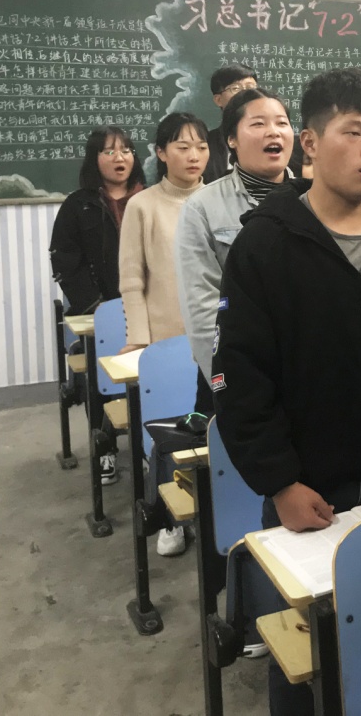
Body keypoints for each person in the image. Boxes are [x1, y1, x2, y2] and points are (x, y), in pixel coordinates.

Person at [213, 67, 361, 716]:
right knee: (306, 664)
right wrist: (279, 481)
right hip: (308, 494)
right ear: (310, 144)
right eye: (354, 133)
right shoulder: (264, 245)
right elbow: (239, 378)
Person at [120, 111, 210, 555]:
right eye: (182, 147)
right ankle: (169, 516)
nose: (194, 156)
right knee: (167, 433)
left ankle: (210, 507)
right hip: (164, 339)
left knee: (207, 427)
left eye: (202, 147)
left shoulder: (217, 199)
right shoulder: (142, 205)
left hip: (212, 339)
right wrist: (140, 338)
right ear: (160, 153)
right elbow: (131, 279)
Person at [176, 88, 294, 387]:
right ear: (231, 138)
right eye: (258, 124)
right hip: (241, 375)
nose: (274, 132)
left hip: (309, 374)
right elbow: (203, 311)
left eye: (282, 123)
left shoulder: (316, 200)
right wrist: (227, 386)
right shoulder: (203, 208)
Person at [50, 126, 146, 485]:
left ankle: (147, 446)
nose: (120, 157)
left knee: (151, 377)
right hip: (100, 311)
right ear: (95, 159)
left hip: (147, 308)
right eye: (109, 151)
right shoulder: (78, 205)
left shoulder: (149, 197)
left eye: (126, 150)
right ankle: (105, 447)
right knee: (101, 380)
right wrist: (97, 308)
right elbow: (66, 261)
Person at [204, 64, 259, 182]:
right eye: (235, 88)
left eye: (250, 87)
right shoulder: (205, 144)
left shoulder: (273, 139)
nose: (245, 94)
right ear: (218, 100)